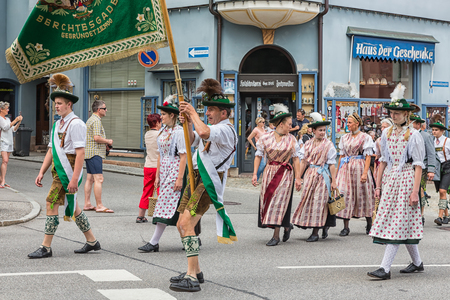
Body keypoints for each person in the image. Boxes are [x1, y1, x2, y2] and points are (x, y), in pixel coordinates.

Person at [169, 79, 238, 292]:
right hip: (197, 176)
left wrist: (193, 114)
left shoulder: (226, 129)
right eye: (206, 110)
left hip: (209, 180)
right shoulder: (211, 126)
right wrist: (188, 122)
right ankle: (196, 271)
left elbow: (205, 133)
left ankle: (191, 277)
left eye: (212, 110)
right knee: (181, 223)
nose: (207, 113)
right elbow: (192, 141)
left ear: (224, 113)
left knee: (187, 224)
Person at [28, 73, 101, 259]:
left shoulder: (76, 124)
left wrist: (75, 179)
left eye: (60, 103)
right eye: (56, 103)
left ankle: (46, 247)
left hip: (69, 167)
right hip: (58, 168)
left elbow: (80, 154)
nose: (57, 106)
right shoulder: (57, 124)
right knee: (74, 205)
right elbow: (51, 151)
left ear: (69, 104)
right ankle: (92, 241)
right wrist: (41, 171)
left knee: (50, 202)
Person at [368, 84, 424, 280]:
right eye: (392, 112)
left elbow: (418, 165)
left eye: (398, 113)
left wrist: (415, 191)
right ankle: (417, 263)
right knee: (400, 222)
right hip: (392, 180)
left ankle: (384, 268)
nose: (394, 115)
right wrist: (378, 185)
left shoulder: (414, 135)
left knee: (398, 222)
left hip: (408, 179)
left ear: (407, 115)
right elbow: (382, 161)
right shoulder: (386, 133)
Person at [138, 96, 187, 252]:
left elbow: (184, 155)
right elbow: (159, 154)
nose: (161, 117)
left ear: (172, 115)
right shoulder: (163, 131)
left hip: (175, 169)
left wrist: (180, 178)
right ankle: (190, 238)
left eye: (164, 114)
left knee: (168, 206)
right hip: (165, 170)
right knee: (173, 207)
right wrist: (158, 175)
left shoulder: (179, 132)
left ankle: (154, 242)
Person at [252, 104, 301, 246]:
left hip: (285, 173)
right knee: (269, 200)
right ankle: (286, 226)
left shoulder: (291, 139)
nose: (291, 127)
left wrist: (298, 178)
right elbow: (258, 156)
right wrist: (255, 174)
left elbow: (296, 158)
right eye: (289, 125)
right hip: (269, 171)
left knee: (280, 202)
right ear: (281, 124)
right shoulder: (265, 138)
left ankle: (276, 235)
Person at [291, 112, 337, 242]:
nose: (322, 132)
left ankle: (315, 232)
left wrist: (334, 181)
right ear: (314, 130)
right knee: (308, 200)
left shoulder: (329, 145)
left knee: (319, 202)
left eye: (324, 130)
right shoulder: (308, 144)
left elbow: (332, 164)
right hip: (310, 175)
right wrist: (298, 178)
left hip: (323, 177)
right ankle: (319, 225)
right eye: (320, 130)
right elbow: (304, 161)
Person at [335, 112, 375, 236]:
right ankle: (346, 227)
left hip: (359, 166)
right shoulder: (344, 138)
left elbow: (368, 156)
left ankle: (369, 224)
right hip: (346, 168)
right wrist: (336, 174)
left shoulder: (365, 137)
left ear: (357, 124)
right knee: (345, 194)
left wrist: (365, 173)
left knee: (364, 194)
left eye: (350, 123)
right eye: (347, 122)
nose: (348, 125)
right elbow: (341, 156)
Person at [83, 99, 114, 213]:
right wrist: (108, 141)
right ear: (99, 110)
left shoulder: (90, 119)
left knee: (90, 178)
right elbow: (96, 137)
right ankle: (99, 205)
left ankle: (87, 203)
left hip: (89, 152)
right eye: (105, 108)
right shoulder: (96, 121)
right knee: (99, 179)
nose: (106, 110)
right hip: (95, 153)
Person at [410, 114, 436, 226]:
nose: (409, 124)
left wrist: (431, 169)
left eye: (412, 122)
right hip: (409, 167)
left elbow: (431, 153)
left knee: (420, 189)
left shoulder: (425, 136)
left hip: (422, 167)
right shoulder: (407, 134)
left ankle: (421, 215)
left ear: (418, 124)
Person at [136, 113, 161, 223]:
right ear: (157, 123)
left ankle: (140, 216)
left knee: (147, 190)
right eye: (160, 121)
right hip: (157, 166)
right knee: (160, 191)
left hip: (148, 166)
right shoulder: (160, 134)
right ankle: (159, 215)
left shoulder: (147, 134)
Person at [428, 115, 450, 226]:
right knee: (441, 192)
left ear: (442, 131)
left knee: (442, 191)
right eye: (432, 130)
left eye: (436, 130)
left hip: (447, 167)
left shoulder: (447, 141)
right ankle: (447, 215)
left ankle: (440, 217)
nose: (434, 132)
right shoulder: (431, 141)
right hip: (436, 168)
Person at [0, 101, 23, 188]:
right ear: (1, 109)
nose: (8, 110)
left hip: (9, 142)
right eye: (6, 109)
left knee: (6, 162)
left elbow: (13, 129)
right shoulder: (0, 119)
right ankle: (2, 181)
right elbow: (5, 127)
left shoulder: (8, 119)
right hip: (3, 141)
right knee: (4, 160)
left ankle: (3, 179)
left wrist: (19, 122)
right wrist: (15, 120)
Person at [247, 117, 267, 181]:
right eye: (263, 122)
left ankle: (264, 180)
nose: (264, 123)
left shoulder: (263, 128)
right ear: (259, 123)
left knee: (264, 165)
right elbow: (249, 138)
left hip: (265, 148)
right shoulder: (256, 129)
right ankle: (256, 178)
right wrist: (254, 146)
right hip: (260, 148)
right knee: (262, 164)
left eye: (264, 122)